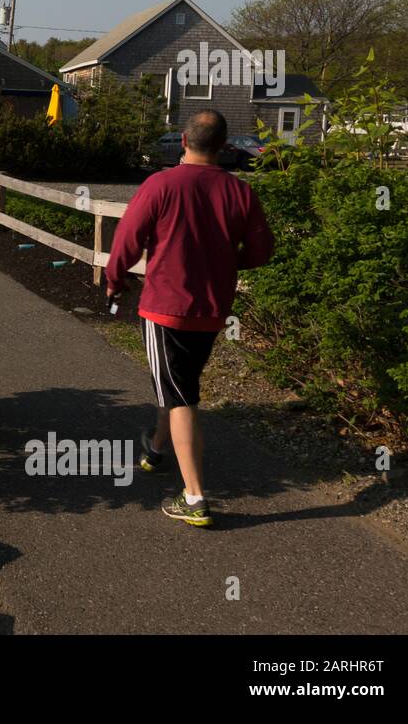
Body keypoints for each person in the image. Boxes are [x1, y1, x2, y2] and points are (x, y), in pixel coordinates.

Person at [105, 110, 274, 526]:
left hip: (166, 308)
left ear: (183, 140)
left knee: (180, 396)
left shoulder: (160, 185)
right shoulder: (241, 192)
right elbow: (261, 251)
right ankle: (156, 449)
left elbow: (128, 239)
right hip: (212, 309)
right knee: (179, 382)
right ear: (223, 146)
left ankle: (195, 497)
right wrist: (224, 262)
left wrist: (113, 279)